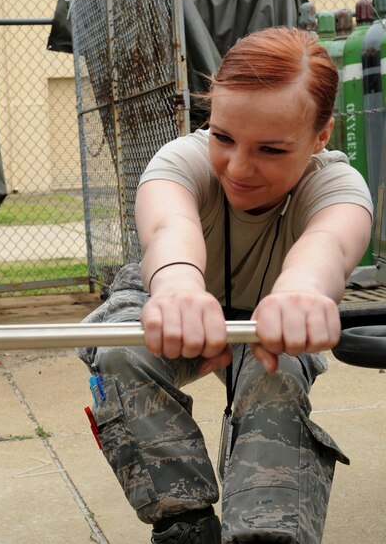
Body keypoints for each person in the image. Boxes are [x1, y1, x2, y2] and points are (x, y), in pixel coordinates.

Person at [79, 27, 373, 544]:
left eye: (271, 149)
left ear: (321, 135)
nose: (238, 168)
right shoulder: (178, 163)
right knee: (121, 350)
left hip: (273, 314)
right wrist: (177, 291)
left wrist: (299, 295)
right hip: (170, 296)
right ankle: (183, 524)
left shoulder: (339, 188)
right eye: (223, 137)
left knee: (277, 371)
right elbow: (170, 229)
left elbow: (327, 248)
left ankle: (267, 534)